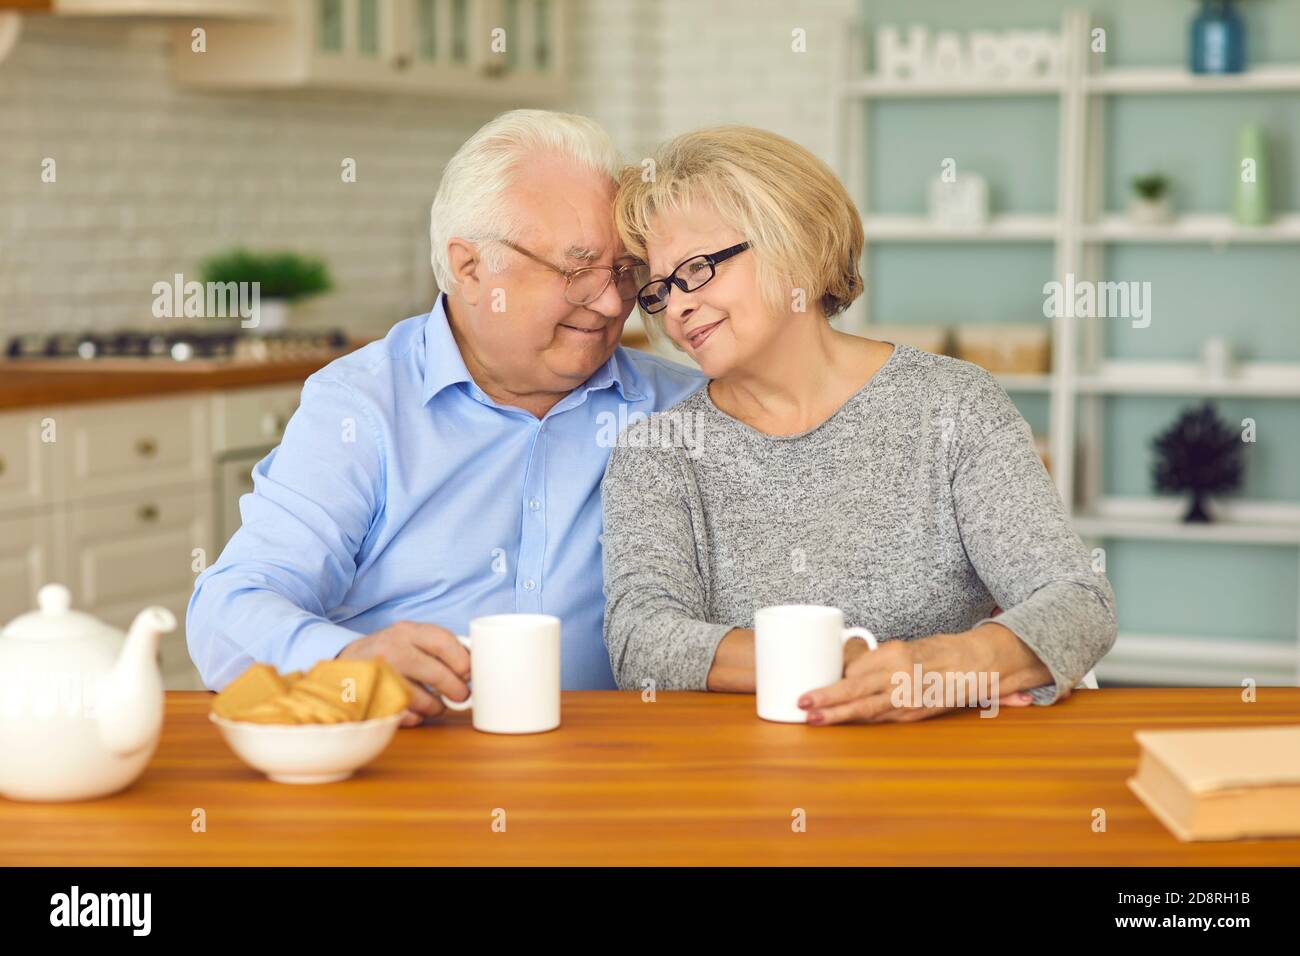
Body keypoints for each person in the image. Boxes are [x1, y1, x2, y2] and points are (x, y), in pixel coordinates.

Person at [187, 110, 703, 725]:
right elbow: (229, 609)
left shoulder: (681, 407)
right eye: (578, 270)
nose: (614, 301)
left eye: (625, 270)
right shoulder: (363, 408)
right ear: (470, 268)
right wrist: (349, 658)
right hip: (409, 762)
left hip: (610, 761)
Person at [601, 125, 1117, 724]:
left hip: (937, 775)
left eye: (696, 269)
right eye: (659, 290)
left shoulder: (951, 406)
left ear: (799, 247)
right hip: (746, 781)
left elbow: (1079, 604)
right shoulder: (661, 449)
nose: (677, 306)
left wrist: (938, 668)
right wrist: (829, 661)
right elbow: (642, 643)